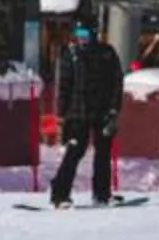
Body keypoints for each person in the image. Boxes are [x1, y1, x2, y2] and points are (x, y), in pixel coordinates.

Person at [48, 20, 124, 208]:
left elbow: (116, 83)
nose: (82, 38)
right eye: (79, 33)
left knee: (103, 153)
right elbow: (63, 86)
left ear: (94, 33)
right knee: (74, 151)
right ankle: (59, 194)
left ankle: (102, 194)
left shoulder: (107, 53)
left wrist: (114, 110)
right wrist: (61, 115)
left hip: (102, 111)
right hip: (77, 112)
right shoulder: (71, 55)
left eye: (85, 33)